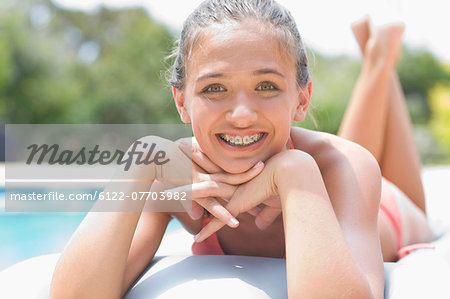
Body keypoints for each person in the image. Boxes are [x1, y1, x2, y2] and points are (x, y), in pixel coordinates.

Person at [50, 1, 437, 298]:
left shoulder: (343, 167)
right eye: (213, 89)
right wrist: (142, 159)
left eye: (266, 86)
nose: (240, 115)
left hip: (389, 209)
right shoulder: (176, 180)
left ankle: (381, 63)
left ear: (302, 99)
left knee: (352, 158)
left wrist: (294, 173)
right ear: (182, 102)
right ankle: (376, 58)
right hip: (328, 166)